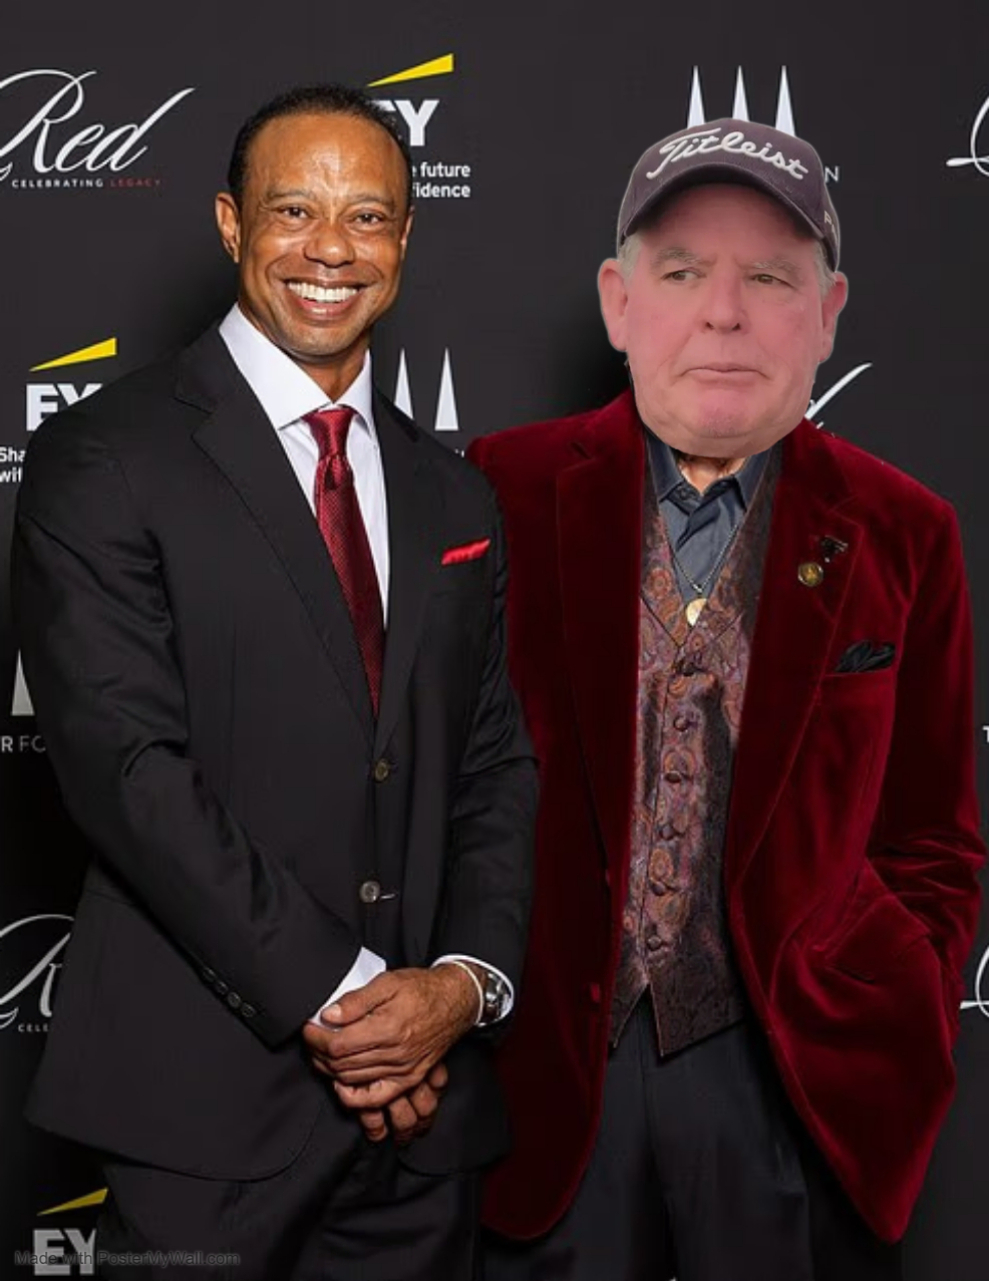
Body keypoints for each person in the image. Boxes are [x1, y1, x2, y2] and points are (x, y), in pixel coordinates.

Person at [13, 83, 535, 1281]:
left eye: (367, 216)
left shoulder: (453, 491)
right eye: (293, 210)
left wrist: (460, 988)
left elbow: (494, 765)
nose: (330, 249)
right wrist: (357, 1008)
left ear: (405, 236)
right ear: (230, 224)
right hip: (204, 1110)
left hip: (424, 1120)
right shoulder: (104, 458)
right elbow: (128, 773)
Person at [469, 118, 984, 1281]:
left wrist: (893, 998)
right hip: (549, 1087)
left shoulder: (904, 530)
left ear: (827, 312)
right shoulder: (500, 489)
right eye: (681, 273)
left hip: (794, 1093)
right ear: (616, 303)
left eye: (768, 278)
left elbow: (932, 837)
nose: (722, 313)